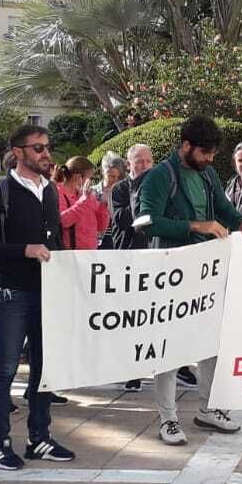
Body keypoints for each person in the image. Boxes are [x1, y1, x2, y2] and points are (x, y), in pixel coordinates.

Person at [135, 115, 242, 445]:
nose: (210, 159)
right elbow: (146, 222)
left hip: (207, 271)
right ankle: (168, 418)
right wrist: (195, 226)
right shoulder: (160, 176)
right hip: (172, 272)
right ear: (186, 146)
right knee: (170, 348)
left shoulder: (208, 173)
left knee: (212, 343)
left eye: (214, 154)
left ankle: (209, 409)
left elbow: (223, 208)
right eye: (205, 153)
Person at [0, 123, 75, 468]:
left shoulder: (50, 190)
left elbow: (54, 238)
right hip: (11, 294)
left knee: (45, 369)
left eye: (48, 146)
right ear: (18, 153)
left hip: (46, 293)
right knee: (5, 370)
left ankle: (39, 438)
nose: (46, 153)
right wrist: (23, 250)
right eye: (38, 148)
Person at [103, 144, 153, 392]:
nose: (143, 165)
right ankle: (130, 370)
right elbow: (125, 222)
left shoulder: (160, 187)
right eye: (138, 161)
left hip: (155, 260)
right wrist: (138, 192)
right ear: (129, 164)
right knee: (130, 319)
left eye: (147, 161)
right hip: (128, 259)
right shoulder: (120, 190)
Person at [56, 156, 110, 252]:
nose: (91, 182)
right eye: (89, 178)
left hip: (91, 254)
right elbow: (63, 221)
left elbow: (101, 226)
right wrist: (83, 201)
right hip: (70, 255)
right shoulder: (59, 193)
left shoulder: (87, 195)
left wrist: (104, 205)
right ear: (78, 177)